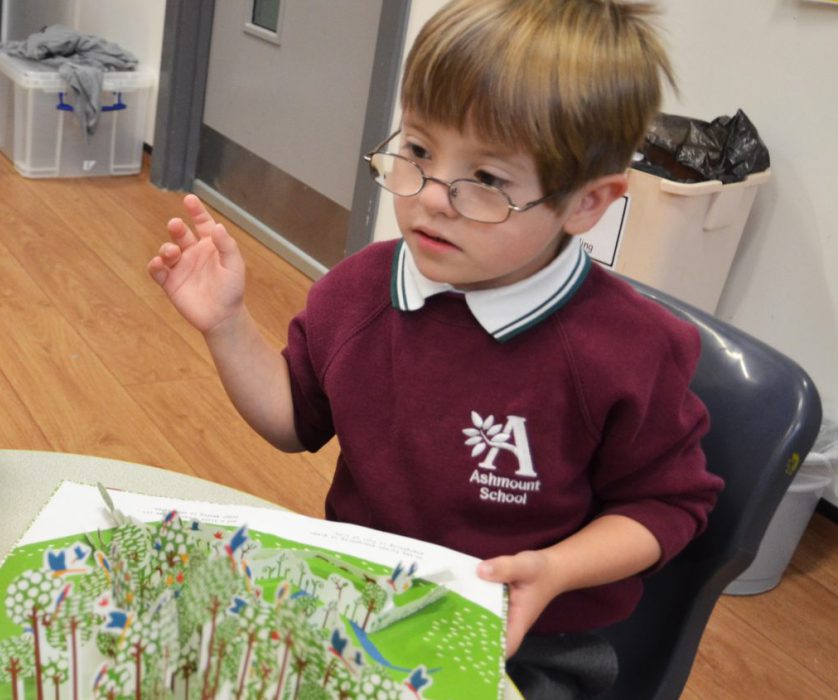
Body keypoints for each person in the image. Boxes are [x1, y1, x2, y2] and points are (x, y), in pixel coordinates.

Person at [148, 1, 721, 697]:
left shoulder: (629, 350)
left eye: (487, 180)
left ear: (586, 204)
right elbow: (293, 423)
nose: (431, 198)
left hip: (529, 641)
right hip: (363, 602)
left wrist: (558, 569)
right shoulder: (358, 289)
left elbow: (668, 506)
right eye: (418, 151)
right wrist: (228, 324)